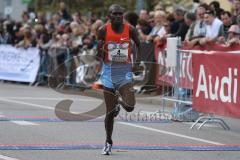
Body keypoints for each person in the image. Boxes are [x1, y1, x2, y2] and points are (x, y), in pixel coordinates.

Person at [97, 4, 140, 155]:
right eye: (114, 14)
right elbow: (98, 53)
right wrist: (100, 49)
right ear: (109, 16)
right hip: (108, 72)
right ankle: (108, 142)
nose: (117, 16)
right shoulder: (103, 30)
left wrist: (137, 63)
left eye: (120, 14)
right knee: (109, 113)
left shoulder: (131, 29)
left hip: (124, 72)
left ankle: (118, 104)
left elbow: (138, 46)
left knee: (130, 106)